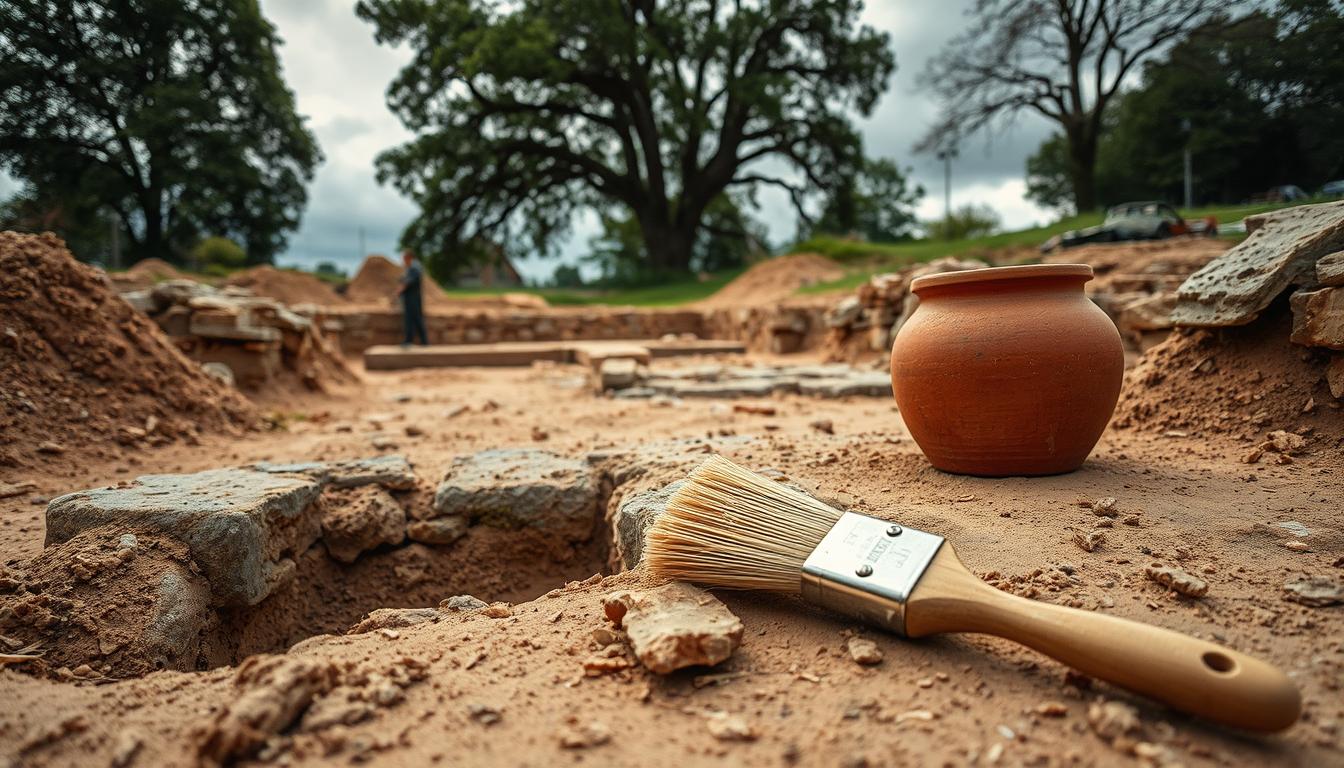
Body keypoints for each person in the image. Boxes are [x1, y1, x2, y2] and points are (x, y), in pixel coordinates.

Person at [396, 248, 428, 346]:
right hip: (410, 298)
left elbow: (408, 282)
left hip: (413, 298)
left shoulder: (415, 267)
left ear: (409, 257)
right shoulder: (410, 267)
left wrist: (399, 290)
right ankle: (414, 340)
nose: (403, 260)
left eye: (404, 258)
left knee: (415, 319)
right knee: (411, 319)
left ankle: (421, 341)